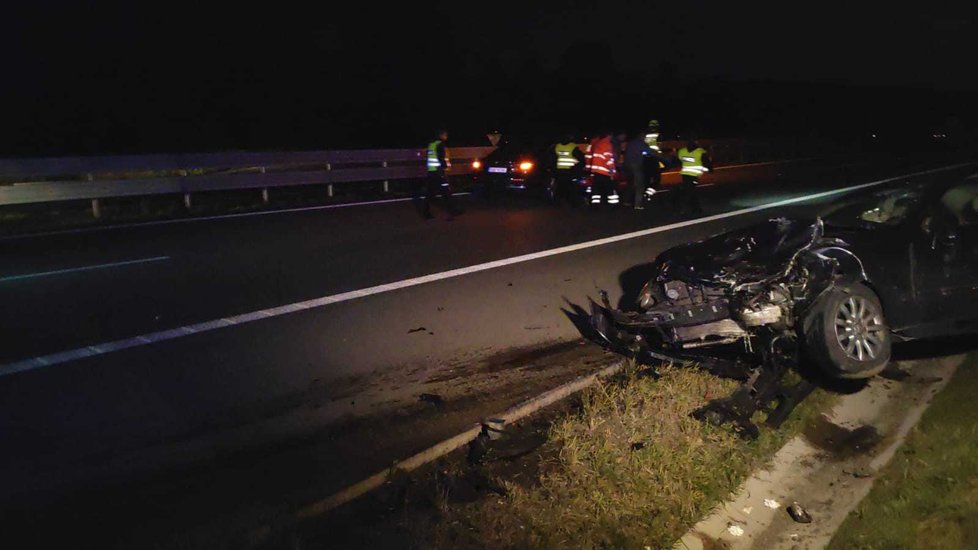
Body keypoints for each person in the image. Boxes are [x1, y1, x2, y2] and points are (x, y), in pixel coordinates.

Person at [623, 130, 669, 210]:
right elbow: (650, 152)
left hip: (628, 165)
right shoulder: (640, 143)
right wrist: (662, 156)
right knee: (640, 185)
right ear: (642, 136)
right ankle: (638, 205)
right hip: (635, 165)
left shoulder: (631, 143)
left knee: (631, 184)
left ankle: (627, 201)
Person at [422, 129, 458, 220]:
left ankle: (452, 210)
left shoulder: (431, 144)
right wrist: (444, 169)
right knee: (443, 191)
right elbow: (441, 158)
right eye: (445, 135)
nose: (446, 137)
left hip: (431, 171)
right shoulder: (440, 145)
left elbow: (429, 157)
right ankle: (427, 213)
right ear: (441, 135)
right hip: (439, 172)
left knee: (435, 192)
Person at [675, 138, 712, 215]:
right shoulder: (700, 151)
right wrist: (710, 169)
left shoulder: (682, 151)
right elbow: (706, 161)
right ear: (696, 143)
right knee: (690, 191)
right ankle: (683, 208)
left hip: (685, 174)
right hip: (694, 175)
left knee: (690, 190)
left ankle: (696, 209)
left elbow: (679, 160)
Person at [585, 130, 618, 206]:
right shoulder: (607, 144)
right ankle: (613, 205)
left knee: (596, 189)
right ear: (609, 135)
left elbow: (589, 156)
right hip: (604, 171)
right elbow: (609, 159)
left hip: (596, 170)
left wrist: (588, 167)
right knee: (610, 188)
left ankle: (595, 205)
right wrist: (612, 171)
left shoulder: (597, 143)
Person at [552, 134, 585, 205]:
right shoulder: (572, 147)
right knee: (570, 187)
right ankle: (572, 202)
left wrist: (553, 169)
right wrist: (578, 167)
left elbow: (552, 159)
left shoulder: (557, 147)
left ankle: (556, 202)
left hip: (559, 170)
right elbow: (581, 159)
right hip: (569, 170)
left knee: (560, 186)